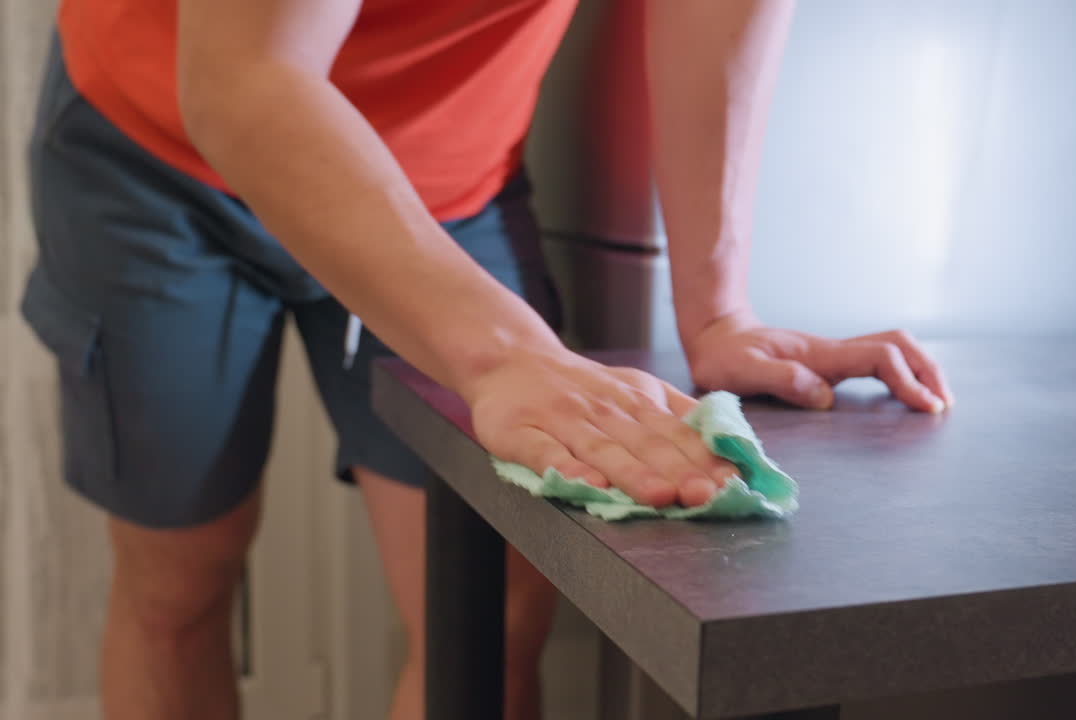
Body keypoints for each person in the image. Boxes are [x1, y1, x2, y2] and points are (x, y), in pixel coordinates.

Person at [20, 0, 954, 718]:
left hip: (450, 175)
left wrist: (717, 312)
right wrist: (506, 354)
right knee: (180, 581)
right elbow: (248, 78)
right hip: (158, 151)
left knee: (490, 610)